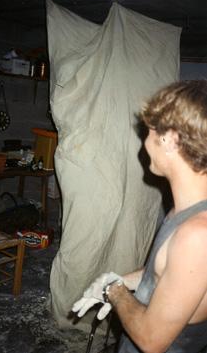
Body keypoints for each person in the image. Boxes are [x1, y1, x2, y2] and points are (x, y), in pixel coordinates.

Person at [72, 80, 207, 353]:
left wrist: (116, 291)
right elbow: (169, 273)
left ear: (169, 140)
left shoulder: (197, 234)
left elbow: (151, 339)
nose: (145, 142)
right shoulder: (186, 210)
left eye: (149, 131)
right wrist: (120, 279)